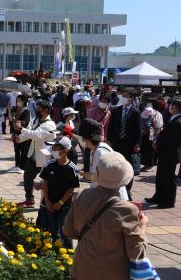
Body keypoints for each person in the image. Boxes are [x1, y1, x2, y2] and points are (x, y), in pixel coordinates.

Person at [63, 152, 150, 280]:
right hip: (112, 273)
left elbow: (68, 231)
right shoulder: (128, 210)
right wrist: (143, 226)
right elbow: (136, 253)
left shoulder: (82, 195)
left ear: (97, 173)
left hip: (82, 269)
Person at [14, 100, 57, 208]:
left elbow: (36, 135)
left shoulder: (50, 124)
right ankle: (29, 200)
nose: (36, 110)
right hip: (33, 155)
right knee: (27, 177)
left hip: (45, 157)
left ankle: (48, 203)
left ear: (46, 110)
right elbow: (29, 132)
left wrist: (21, 128)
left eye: (39, 108)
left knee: (47, 182)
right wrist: (19, 138)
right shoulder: (35, 120)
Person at [39, 136, 80, 248]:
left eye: (57, 147)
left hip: (64, 206)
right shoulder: (49, 165)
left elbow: (71, 189)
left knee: (65, 231)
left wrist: (60, 203)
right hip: (49, 203)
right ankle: (53, 253)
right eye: (53, 147)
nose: (53, 150)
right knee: (51, 230)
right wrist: (47, 201)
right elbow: (45, 183)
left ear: (65, 150)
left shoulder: (72, 168)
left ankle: (68, 255)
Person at [78, 118, 129, 200]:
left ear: (85, 138)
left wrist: (91, 177)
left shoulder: (101, 152)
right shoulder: (95, 150)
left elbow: (109, 176)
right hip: (107, 197)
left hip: (113, 199)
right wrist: (90, 176)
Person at [145, 98, 181, 209]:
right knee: (160, 176)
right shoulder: (174, 118)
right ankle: (158, 196)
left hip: (170, 153)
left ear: (177, 109)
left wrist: (158, 144)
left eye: (172, 106)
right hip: (165, 152)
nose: (170, 108)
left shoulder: (178, 121)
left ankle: (168, 201)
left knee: (168, 178)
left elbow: (170, 139)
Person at [107, 88, 141, 200]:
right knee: (116, 165)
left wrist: (137, 144)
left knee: (128, 166)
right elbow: (111, 127)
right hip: (116, 142)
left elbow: (138, 129)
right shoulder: (116, 110)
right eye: (123, 95)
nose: (123, 97)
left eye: (126, 96)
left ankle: (127, 189)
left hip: (129, 144)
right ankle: (115, 188)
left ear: (131, 98)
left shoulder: (135, 112)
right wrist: (108, 139)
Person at [139, 102, 163, 172]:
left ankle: (151, 165)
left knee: (151, 151)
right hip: (144, 135)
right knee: (145, 150)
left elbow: (158, 127)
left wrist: (156, 138)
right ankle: (146, 164)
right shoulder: (145, 112)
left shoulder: (157, 114)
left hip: (152, 135)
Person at [9, 94, 30, 174]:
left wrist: (17, 123)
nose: (17, 102)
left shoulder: (26, 111)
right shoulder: (18, 111)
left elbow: (25, 122)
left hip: (23, 134)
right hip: (16, 134)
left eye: (19, 101)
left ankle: (22, 167)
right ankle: (17, 165)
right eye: (17, 101)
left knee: (23, 151)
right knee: (17, 151)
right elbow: (12, 121)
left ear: (23, 101)